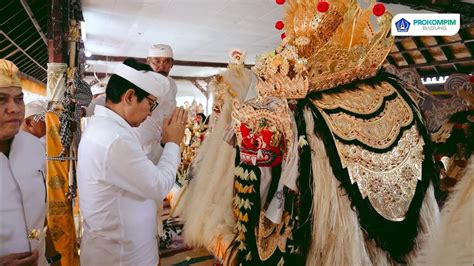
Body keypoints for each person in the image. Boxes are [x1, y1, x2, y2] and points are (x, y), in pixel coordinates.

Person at [77, 58, 187, 265]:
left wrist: (164, 144)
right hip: (122, 257)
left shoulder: (109, 130)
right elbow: (159, 186)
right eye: (150, 103)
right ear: (129, 97)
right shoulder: (115, 139)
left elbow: (139, 175)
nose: (151, 112)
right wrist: (173, 143)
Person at [0, 59, 59, 266]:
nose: (14, 109)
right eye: (1, 100)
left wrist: (53, 256)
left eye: (19, 99)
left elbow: (39, 214)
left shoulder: (33, 147)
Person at [135, 44, 178, 164]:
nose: (162, 66)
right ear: (148, 61)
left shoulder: (172, 85)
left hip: (161, 141)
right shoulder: (138, 81)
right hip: (140, 139)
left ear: (172, 64)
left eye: (166, 62)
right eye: (157, 61)